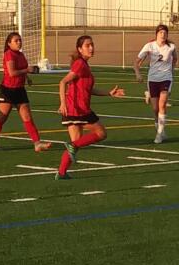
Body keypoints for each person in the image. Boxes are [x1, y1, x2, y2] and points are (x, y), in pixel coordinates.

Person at [54, 35, 125, 179]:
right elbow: (63, 82)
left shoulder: (84, 65)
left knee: (75, 143)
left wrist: (109, 93)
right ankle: (68, 155)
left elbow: (89, 89)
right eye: (87, 45)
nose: (91, 48)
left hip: (76, 109)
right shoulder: (80, 64)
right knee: (101, 133)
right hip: (78, 110)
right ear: (80, 49)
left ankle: (61, 172)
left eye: (92, 45)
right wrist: (62, 103)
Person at [0, 31, 52, 152]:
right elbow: (12, 73)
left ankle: (37, 143)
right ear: (9, 43)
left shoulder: (21, 55)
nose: (19, 42)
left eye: (20, 40)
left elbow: (22, 69)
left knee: (27, 117)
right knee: (2, 117)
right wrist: (27, 70)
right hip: (8, 90)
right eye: (16, 40)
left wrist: (28, 77)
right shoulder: (9, 54)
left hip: (20, 90)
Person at [134, 24, 178, 143]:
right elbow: (136, 62)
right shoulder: (149, 46)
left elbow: (175, 58)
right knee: (155, 109)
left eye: (165, 33)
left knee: (162, 104)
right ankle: (161, 130)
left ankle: (159, 134)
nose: (163, 35)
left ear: (167, 34)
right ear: (156, 34)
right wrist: (138, 74)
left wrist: (171, 70)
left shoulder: (171, 47)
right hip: (153, 79)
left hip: (166, 78)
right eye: (160, 33)